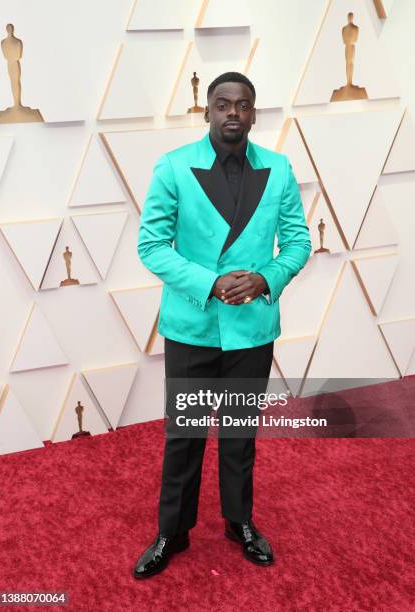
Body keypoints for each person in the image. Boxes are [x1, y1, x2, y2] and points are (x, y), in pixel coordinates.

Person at [133, 72, 312, 579]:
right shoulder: (172, 168)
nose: (233, 112)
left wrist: (264, 278)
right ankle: (173, 531)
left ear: (254, 113)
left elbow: (298, 242)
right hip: (192, 325)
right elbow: (151, 247)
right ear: (207, 111)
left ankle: (240, 523)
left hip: (252, 327)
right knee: (184, 433)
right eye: (223, 104)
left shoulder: (278, 169)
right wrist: (211, 283)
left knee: (240, 432)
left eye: (244, 105)